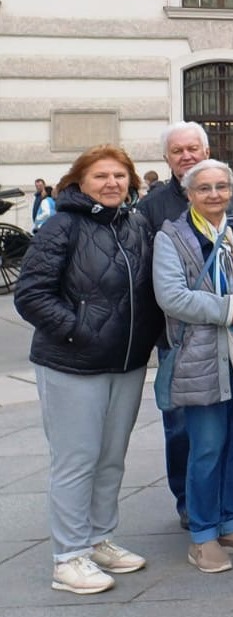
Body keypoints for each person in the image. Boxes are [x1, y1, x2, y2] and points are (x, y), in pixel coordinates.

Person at [15, 145, 164, 595]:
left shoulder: (135, 225)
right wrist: (79, 332)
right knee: (76, 460)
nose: (112, 183)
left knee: (111, 458)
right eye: (101, 176)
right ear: (79, 181)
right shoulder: (61, 225)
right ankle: (68, 557)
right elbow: (31, 294)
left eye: (119, 175)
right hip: (73, 363)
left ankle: (98, 539)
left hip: (127, 362)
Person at [153, 159, 233, 571]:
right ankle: (203, 533)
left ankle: (232, 522)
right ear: (188, 194)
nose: (214, 194)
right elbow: (172, 296)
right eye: (203, 188)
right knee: (207, 446)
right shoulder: (172, 237)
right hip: (202, 355)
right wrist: (231, 310)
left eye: (221, 186)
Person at [137, 122, 233, 532]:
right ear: (167, 159)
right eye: (177, 150)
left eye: (192, 148)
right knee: (185, 430)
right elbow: (153, 281)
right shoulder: (151, 207)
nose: (186, 155)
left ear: (206, 150)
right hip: (182, 339)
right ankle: (190, 504)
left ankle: (230, 509)